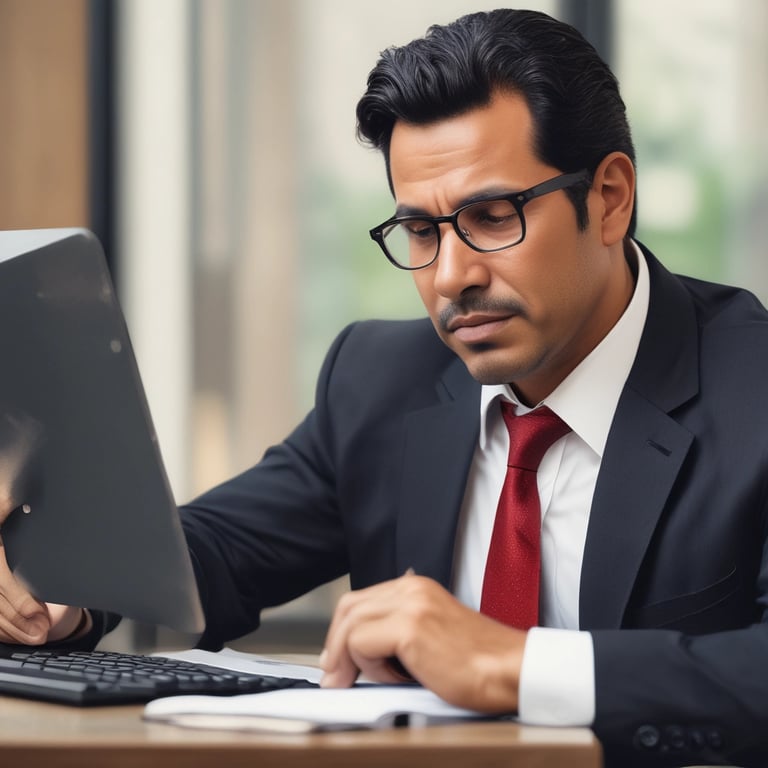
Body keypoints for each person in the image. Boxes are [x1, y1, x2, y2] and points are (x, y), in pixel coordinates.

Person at [1, 8, 767, 767]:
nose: (449, 277)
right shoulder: (379, 378)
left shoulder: (751, 388)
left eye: (493, 217)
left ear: (609, 199)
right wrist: (58, 587)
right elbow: (218, 550)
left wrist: (512, 664)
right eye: (422, 232)